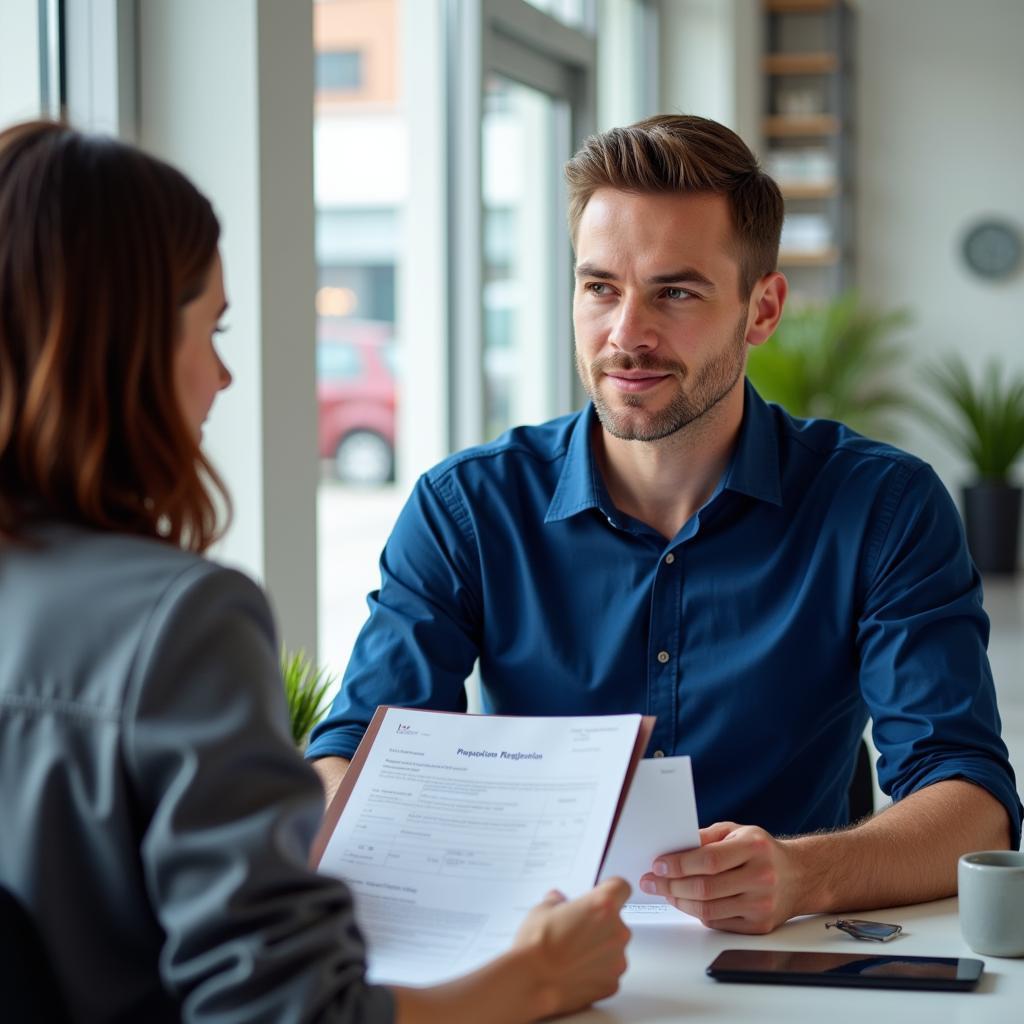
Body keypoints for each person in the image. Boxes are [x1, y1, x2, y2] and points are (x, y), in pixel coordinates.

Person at [307, 114, 1022, 935]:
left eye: (675, 292)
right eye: (600, 287)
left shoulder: (882, 507)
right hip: (527, 950)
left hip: (784, 956)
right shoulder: (466, 508)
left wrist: (802, 874)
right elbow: (354, 753)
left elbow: (971, 804)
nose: (626, 335)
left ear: (762, 309)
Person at [0, 120, 631, 1023]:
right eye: (209, 328)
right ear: (123, 344)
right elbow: (290, 1012)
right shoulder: (178, 622)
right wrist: (534, 976)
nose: (222, 377)